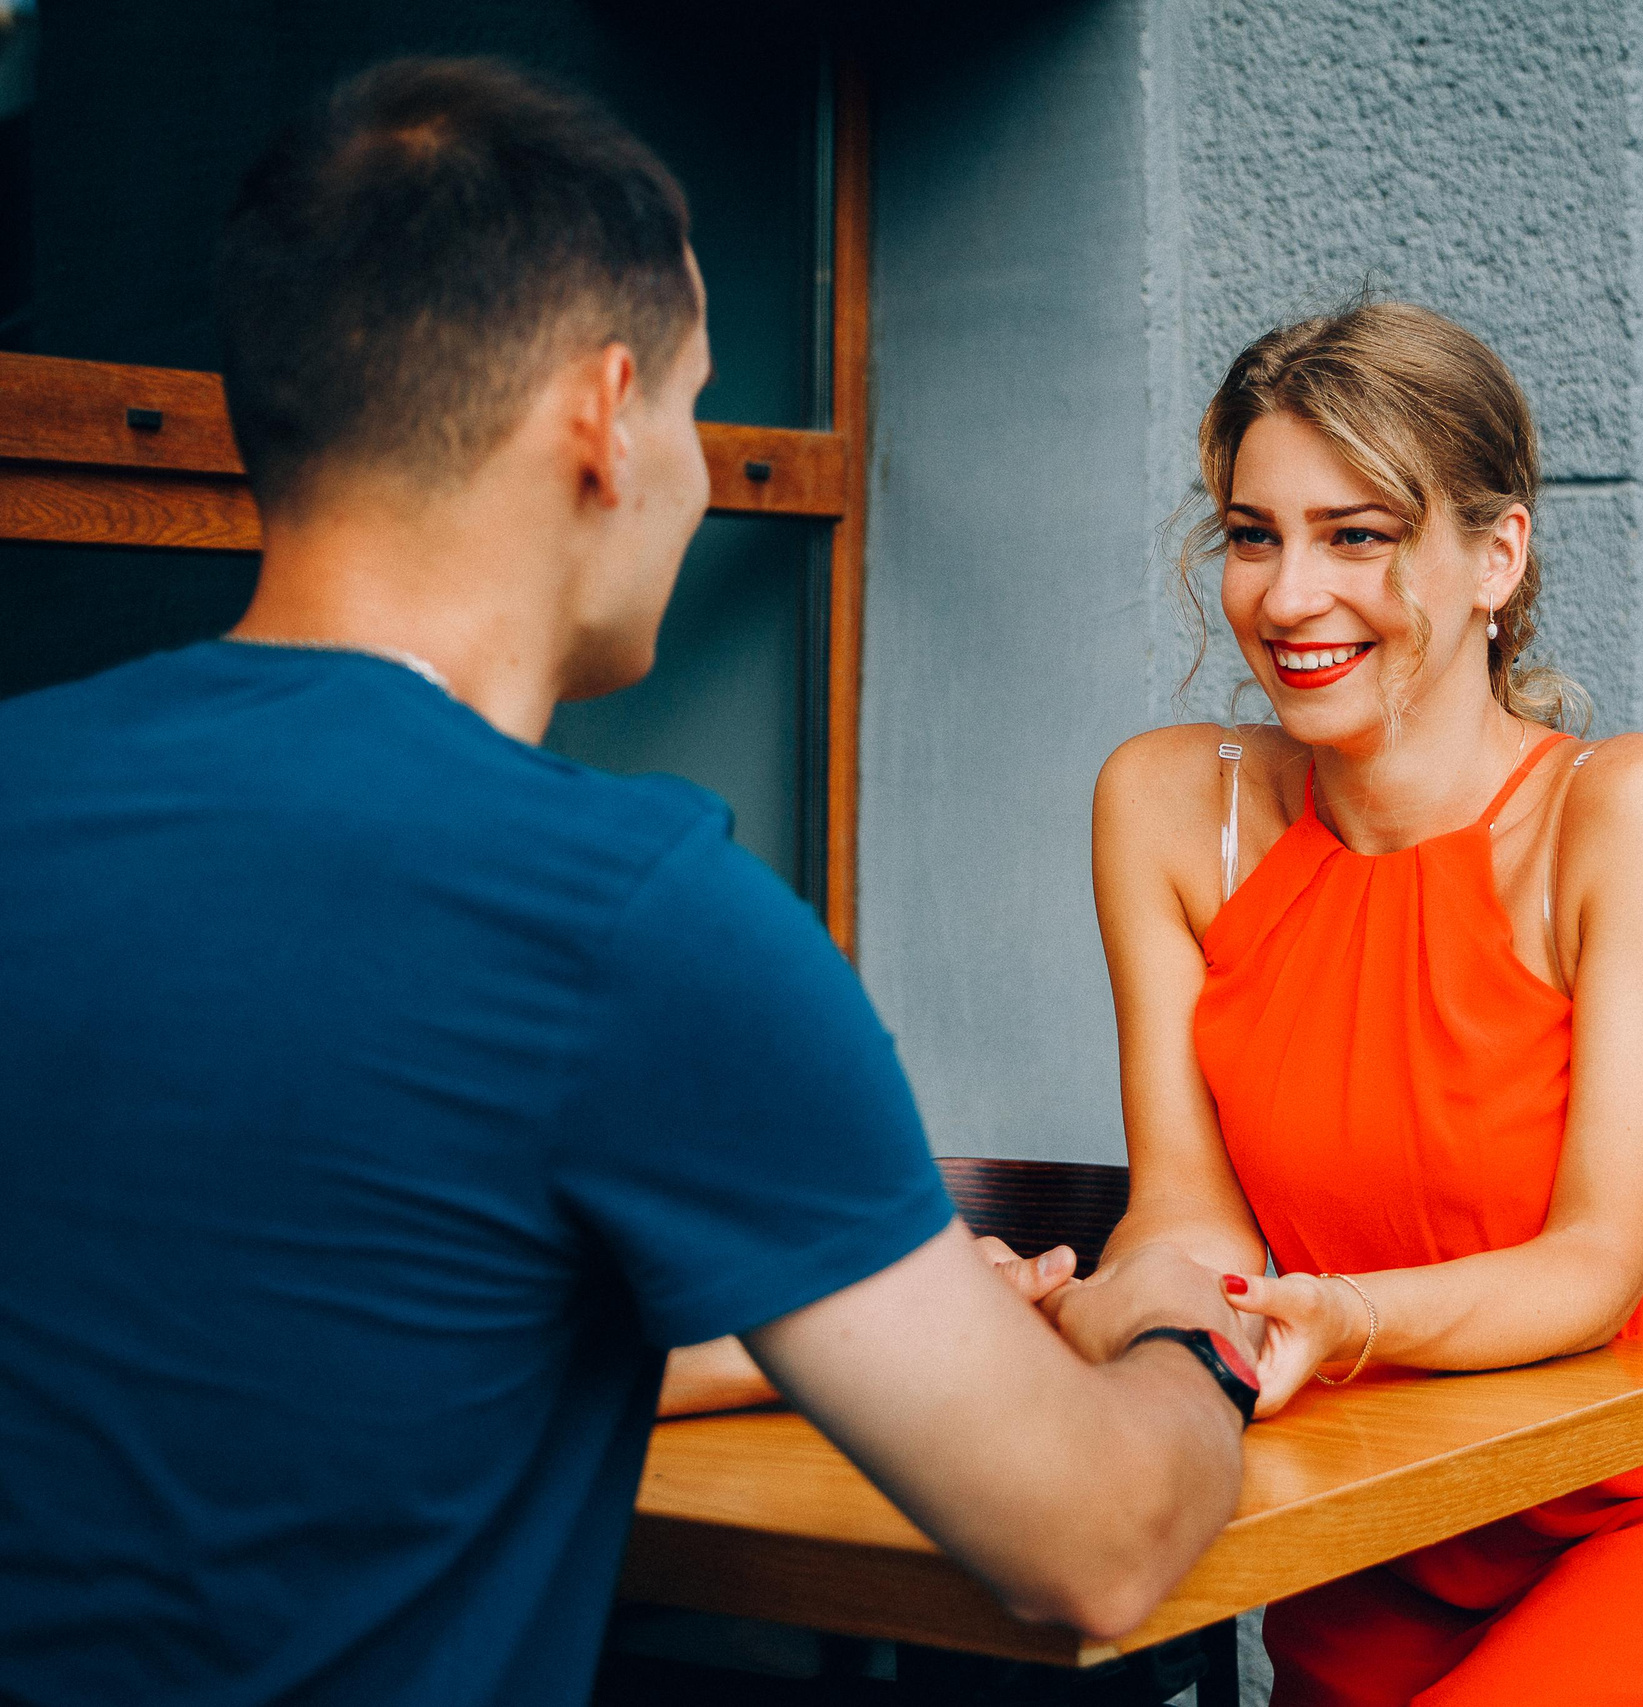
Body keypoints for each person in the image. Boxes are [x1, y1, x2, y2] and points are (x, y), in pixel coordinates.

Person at [0, 58, 1255, 1706]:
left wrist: (828, 1336)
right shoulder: (626, 913)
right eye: (694, 401)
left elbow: (322, 1348)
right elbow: (1092, 1539)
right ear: (603, 416)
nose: (702, 467)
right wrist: (1186, 1338)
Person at [1064, 301, 1643, 1704]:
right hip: (1374, 1525)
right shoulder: (1164, 806)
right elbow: (1186, 1212)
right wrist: (1136, 1322)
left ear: (1494, 556)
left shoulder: (1629, 815)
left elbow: (1598, 1267)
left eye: (1360, 535)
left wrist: (1341, 1318)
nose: (1286, 596)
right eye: (1254, 534)